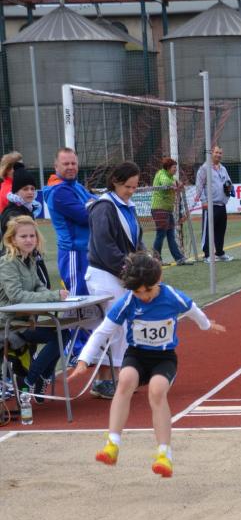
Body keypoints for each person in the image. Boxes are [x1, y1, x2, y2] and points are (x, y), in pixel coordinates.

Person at [68, 251, 226, 478]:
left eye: (148, 290)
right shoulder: (128, 302)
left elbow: (193, 310)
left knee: (157, 391)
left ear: (158, 279)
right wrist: (84, 359)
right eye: (137, 292)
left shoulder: (172, 296)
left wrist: (206, 326)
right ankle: (112, 444)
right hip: (137, 355)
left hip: (163, 357)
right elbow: (103, 331)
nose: (143, 296)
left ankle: (164, 455)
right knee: (124, 381)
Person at [86, 161, 144, 399]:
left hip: (121, 273)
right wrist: (130, 270)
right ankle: (103, 380)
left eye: (134, 187)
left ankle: (116, 376)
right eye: (127, 186)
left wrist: (146, 261)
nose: (131, 191)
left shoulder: (127, 206)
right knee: (112, 326)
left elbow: (135, 240)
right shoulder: (104, 207)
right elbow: (105, 246)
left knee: (123, 326)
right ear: (115, 182)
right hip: (105, 274)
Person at [0, 216, 69, 403]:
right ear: (12, 239)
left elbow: (39, 286)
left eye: (32, 236)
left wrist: (53, 295)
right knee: (58, 335)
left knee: (64, 333)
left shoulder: (29, 259)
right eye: (23, 236)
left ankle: (39, 379)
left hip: (24, 321)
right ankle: (31, 380)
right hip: (8, 324)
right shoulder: (7, 262)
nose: (29, 240)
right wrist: (53, 296)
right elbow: (16, 296)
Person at [43, 148, 94, 299]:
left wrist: (92, 205)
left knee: (91, 297)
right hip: (74, 253)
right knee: (78, 298)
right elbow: (86, 216)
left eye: (73, 163)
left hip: (87, 250)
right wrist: (91, 205)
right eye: (66, 164)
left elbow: (100, 206)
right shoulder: (59, 191)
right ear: (56, 167)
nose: (71, 167)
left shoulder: (76, 186)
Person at [0, 164, 50, 288]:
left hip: (26, 259)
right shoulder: (13, 213)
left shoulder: (26, 208)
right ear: (16, 191)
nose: (30, 192)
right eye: (25, 189)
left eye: (32, 188)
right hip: (17, 263)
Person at [194, 145, 233, 263]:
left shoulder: (223, 168)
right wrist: (204, 201)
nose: (218, 155)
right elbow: (199, 185)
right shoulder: (204, 168)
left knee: (221, 230)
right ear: (211, 153)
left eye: (220, 153)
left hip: (222, 204)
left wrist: (229, 188)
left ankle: (220, 253)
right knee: (208, 231)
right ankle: (207, 255)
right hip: (210, 205)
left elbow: (229, 182)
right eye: (216, 152)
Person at [150, 157, 185, 266]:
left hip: (167, 210)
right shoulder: (162, 174)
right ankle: (156, 260)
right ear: (168, 168)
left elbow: (177, 183)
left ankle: (179, 258)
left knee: (170, 234)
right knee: (161, 234)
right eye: (174, 167)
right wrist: (175, 184)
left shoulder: (171, 176)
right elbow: (165, 183)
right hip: (159, 209)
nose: (176, 169)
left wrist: (178, 184)